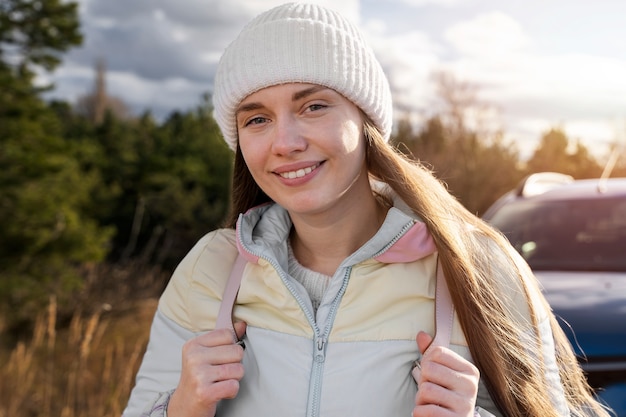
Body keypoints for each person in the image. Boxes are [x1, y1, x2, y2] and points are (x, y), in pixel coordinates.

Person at [123, 3, 612, 417]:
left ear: (366, 121)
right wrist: (181, 407)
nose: (286, 142)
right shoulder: (210, 268)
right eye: (257, 118)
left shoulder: (477, 267)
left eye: (314, 106)